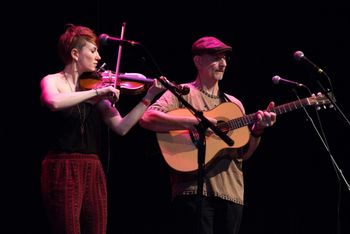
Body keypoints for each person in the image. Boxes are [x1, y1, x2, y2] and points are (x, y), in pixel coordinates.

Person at [139, 36, 277, 234]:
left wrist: (258, 130)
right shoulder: (182, 93)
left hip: (231, 193)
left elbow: (243, 154)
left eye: (225, 59)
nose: (223, 64)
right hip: (193, 190)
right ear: (198, 61)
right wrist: (196, 122)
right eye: (216, 58)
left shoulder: (235, 104)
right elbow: (147, 118)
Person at [39, 24, 164, 234]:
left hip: (92, 167)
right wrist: (97, 94)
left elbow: (121, 127)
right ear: (75, 53)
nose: (98, 57)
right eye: (93, 50)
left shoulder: (95, 88)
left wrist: (148, 97)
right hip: (62, 166)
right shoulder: (52, 81)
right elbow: (54, 102)